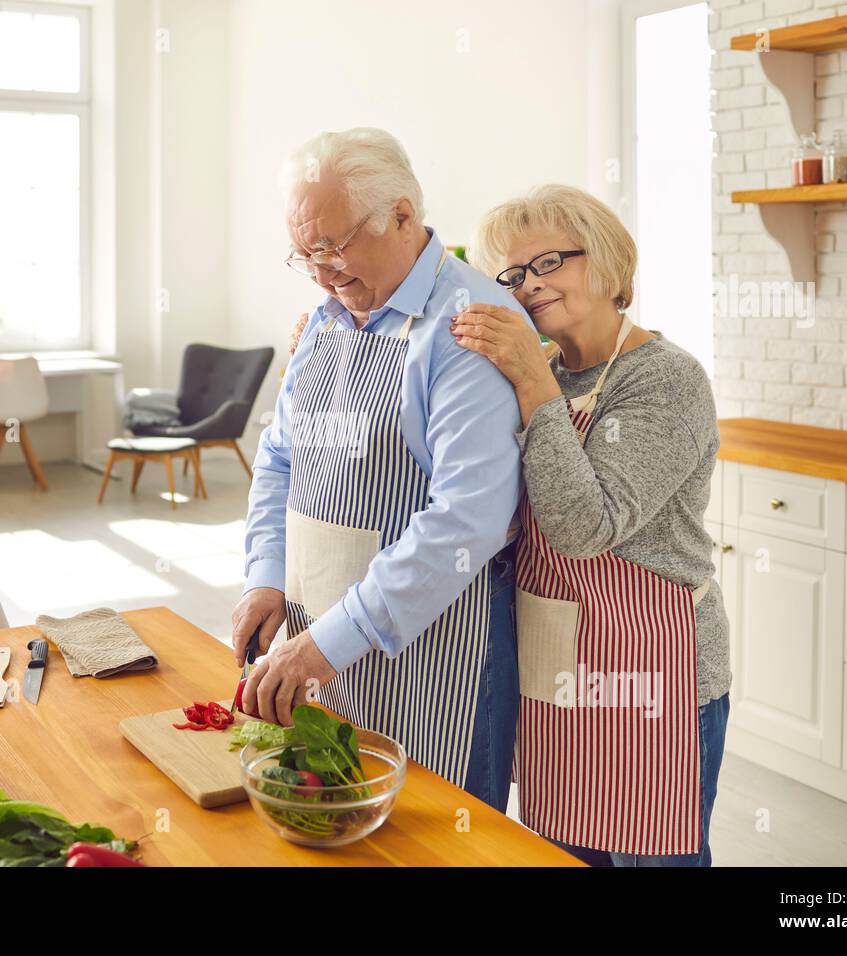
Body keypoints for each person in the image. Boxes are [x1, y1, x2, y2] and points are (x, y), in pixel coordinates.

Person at [233, 128, 530, 810]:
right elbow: (280, 456)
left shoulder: (467, 323)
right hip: (320, 644)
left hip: (433, 658)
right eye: (303, 254)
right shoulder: (327, 320)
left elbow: (468, 518)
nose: (320, 271)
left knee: (432, 841)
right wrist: (265, 575)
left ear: (401, 215)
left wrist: (329, 642)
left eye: (333, 246)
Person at [453, 184, 731, 865]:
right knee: (566, 853)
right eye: (513, 275)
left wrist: (532, 385)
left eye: (548, 262)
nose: (529, 285)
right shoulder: (541, 373)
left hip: (654, 675)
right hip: (557, 666)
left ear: (608, 262)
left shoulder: (666, 378)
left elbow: (586, 525)